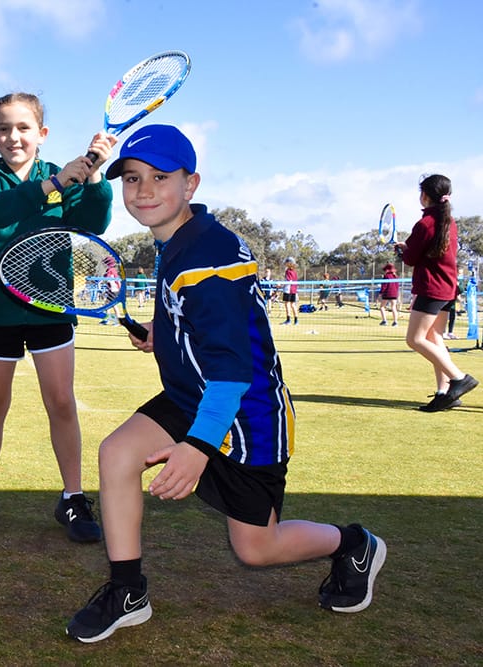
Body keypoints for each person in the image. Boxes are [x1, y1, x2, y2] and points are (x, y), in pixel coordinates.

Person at [66, 125, 386, 643]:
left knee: (257, 548)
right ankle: (127, 590)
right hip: (193, 397)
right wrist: (162, 332)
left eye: (160, 177)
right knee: (118, 453)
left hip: (247, 416)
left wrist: (197, 448)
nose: (143, 190)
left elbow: (233, 370)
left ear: (190, 184)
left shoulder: (206, 257)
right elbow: (204, 321)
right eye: (132, 178)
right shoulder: (181, 239)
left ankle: (353, 544)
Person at [0, 92, 116, 543]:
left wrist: (95, 176)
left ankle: (73, 498)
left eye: (23, 128)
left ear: (42, 133)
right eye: (4, 128)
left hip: (51, 309)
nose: (13, 137)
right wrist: (53, 184)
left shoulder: (66, 175)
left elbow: (94, 223)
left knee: (61, 402)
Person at [394, 174, 478, 412]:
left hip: (432, 287)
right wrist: (408, 248)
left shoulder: (425, 224)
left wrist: (403, 251)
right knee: (434, 338)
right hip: (448, 287)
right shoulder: (449, 221)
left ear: (425, 195)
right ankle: (445, 393)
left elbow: (411, 258)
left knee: (415, 339)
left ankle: (459, 378)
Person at [281, 257, 299, 325]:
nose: (285, 263)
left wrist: (281, 285)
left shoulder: (288, 271)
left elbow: (288, 281)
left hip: (288, 290)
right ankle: (296, 321)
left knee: (287, 304)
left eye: (287, 262)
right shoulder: (294, 271)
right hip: (294, 290)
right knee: (293, 304)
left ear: (289, 263)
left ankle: (288, 320)